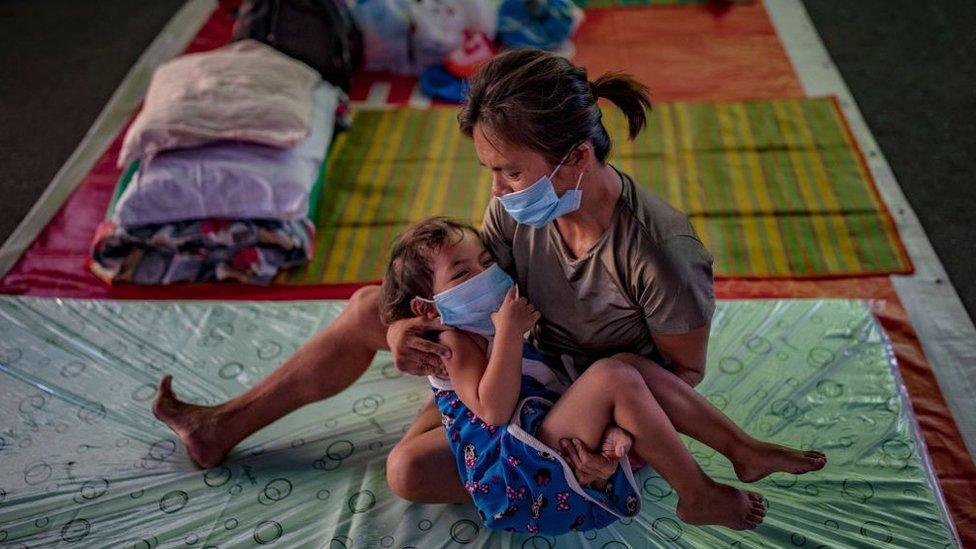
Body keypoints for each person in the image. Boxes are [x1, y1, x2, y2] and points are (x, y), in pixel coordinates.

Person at [153, 49, 827, 508]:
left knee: (407, 471)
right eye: (491, 171)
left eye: (509, 170)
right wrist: (403, 327)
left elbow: (679, 375)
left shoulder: (662, 254)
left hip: (588, 400)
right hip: (514, 353)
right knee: (368, 306)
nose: (498, 190)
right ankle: (219, 427)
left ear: (576, 158)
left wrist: (620, 438)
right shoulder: (518, 206)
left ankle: (646, 459)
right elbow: (470, 289)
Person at [380, 217, 810, 532]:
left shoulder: (484, 322)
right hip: (516, 474)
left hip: (534, 443)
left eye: (486, 260)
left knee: (628, 366)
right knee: (613, 376)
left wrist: (610, 426)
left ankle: (740, 447)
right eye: (462, 273)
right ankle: (697, 495)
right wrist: (509, 331)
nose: (486, 273)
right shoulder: (453, 341)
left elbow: (547, 389)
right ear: (428, 308)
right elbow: (493, 410)